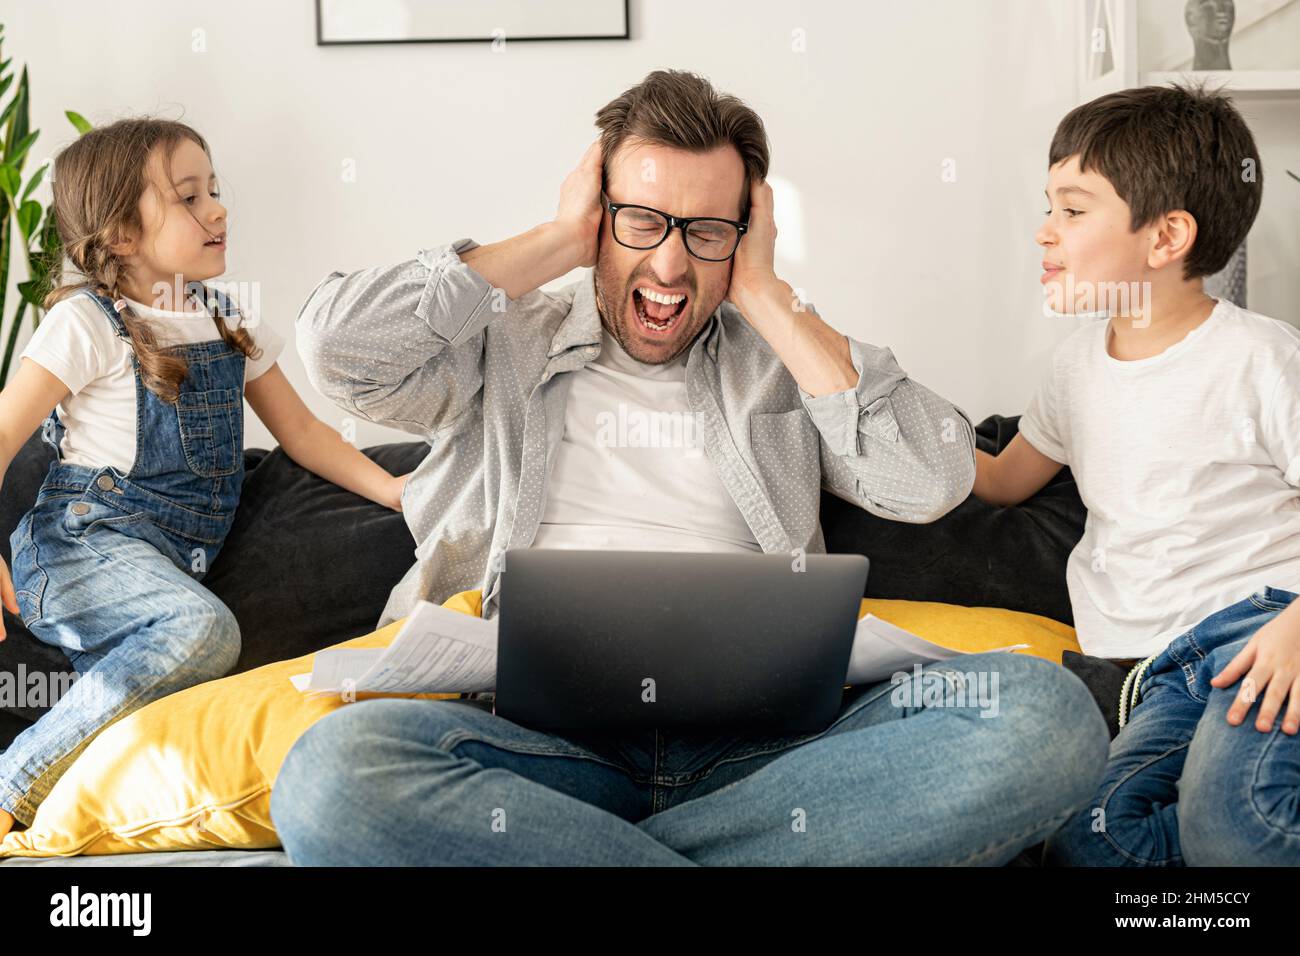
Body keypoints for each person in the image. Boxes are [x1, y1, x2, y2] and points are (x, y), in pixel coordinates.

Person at [271, 69, 1108, 866]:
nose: (670, 267)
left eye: (707, 231)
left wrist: (770, 300)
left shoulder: (784, 359)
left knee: (1042, 716)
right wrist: (555, 242)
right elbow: (337, 350)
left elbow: (931, 480)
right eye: (641, 221)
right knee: (329, 779)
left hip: (773, 756)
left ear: (746, 235)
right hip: (539, 752)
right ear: (597, 211)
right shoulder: (499, 341)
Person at [0, 118, 411, 838]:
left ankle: (89, 812)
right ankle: (13, 782)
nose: (218, 209)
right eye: (189, 197)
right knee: (203, 630)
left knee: (171, 689)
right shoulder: (89, 324)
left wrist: (400, 492)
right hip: (77, 551)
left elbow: (307, 435)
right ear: (121, 234)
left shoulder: (227, 318)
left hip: (165, 571)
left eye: (214, 190)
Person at [974, 84, 1300, 865]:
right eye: (1048, 206)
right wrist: (859, 400)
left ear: (1167, 237)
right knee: (1092, 843)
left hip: (1260, 638)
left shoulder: (1262, 359)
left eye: (1073, 210)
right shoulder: (1074, 369)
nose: (1045, 232)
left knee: (1243, 821)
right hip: (1154, 676)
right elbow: (1000, 482)